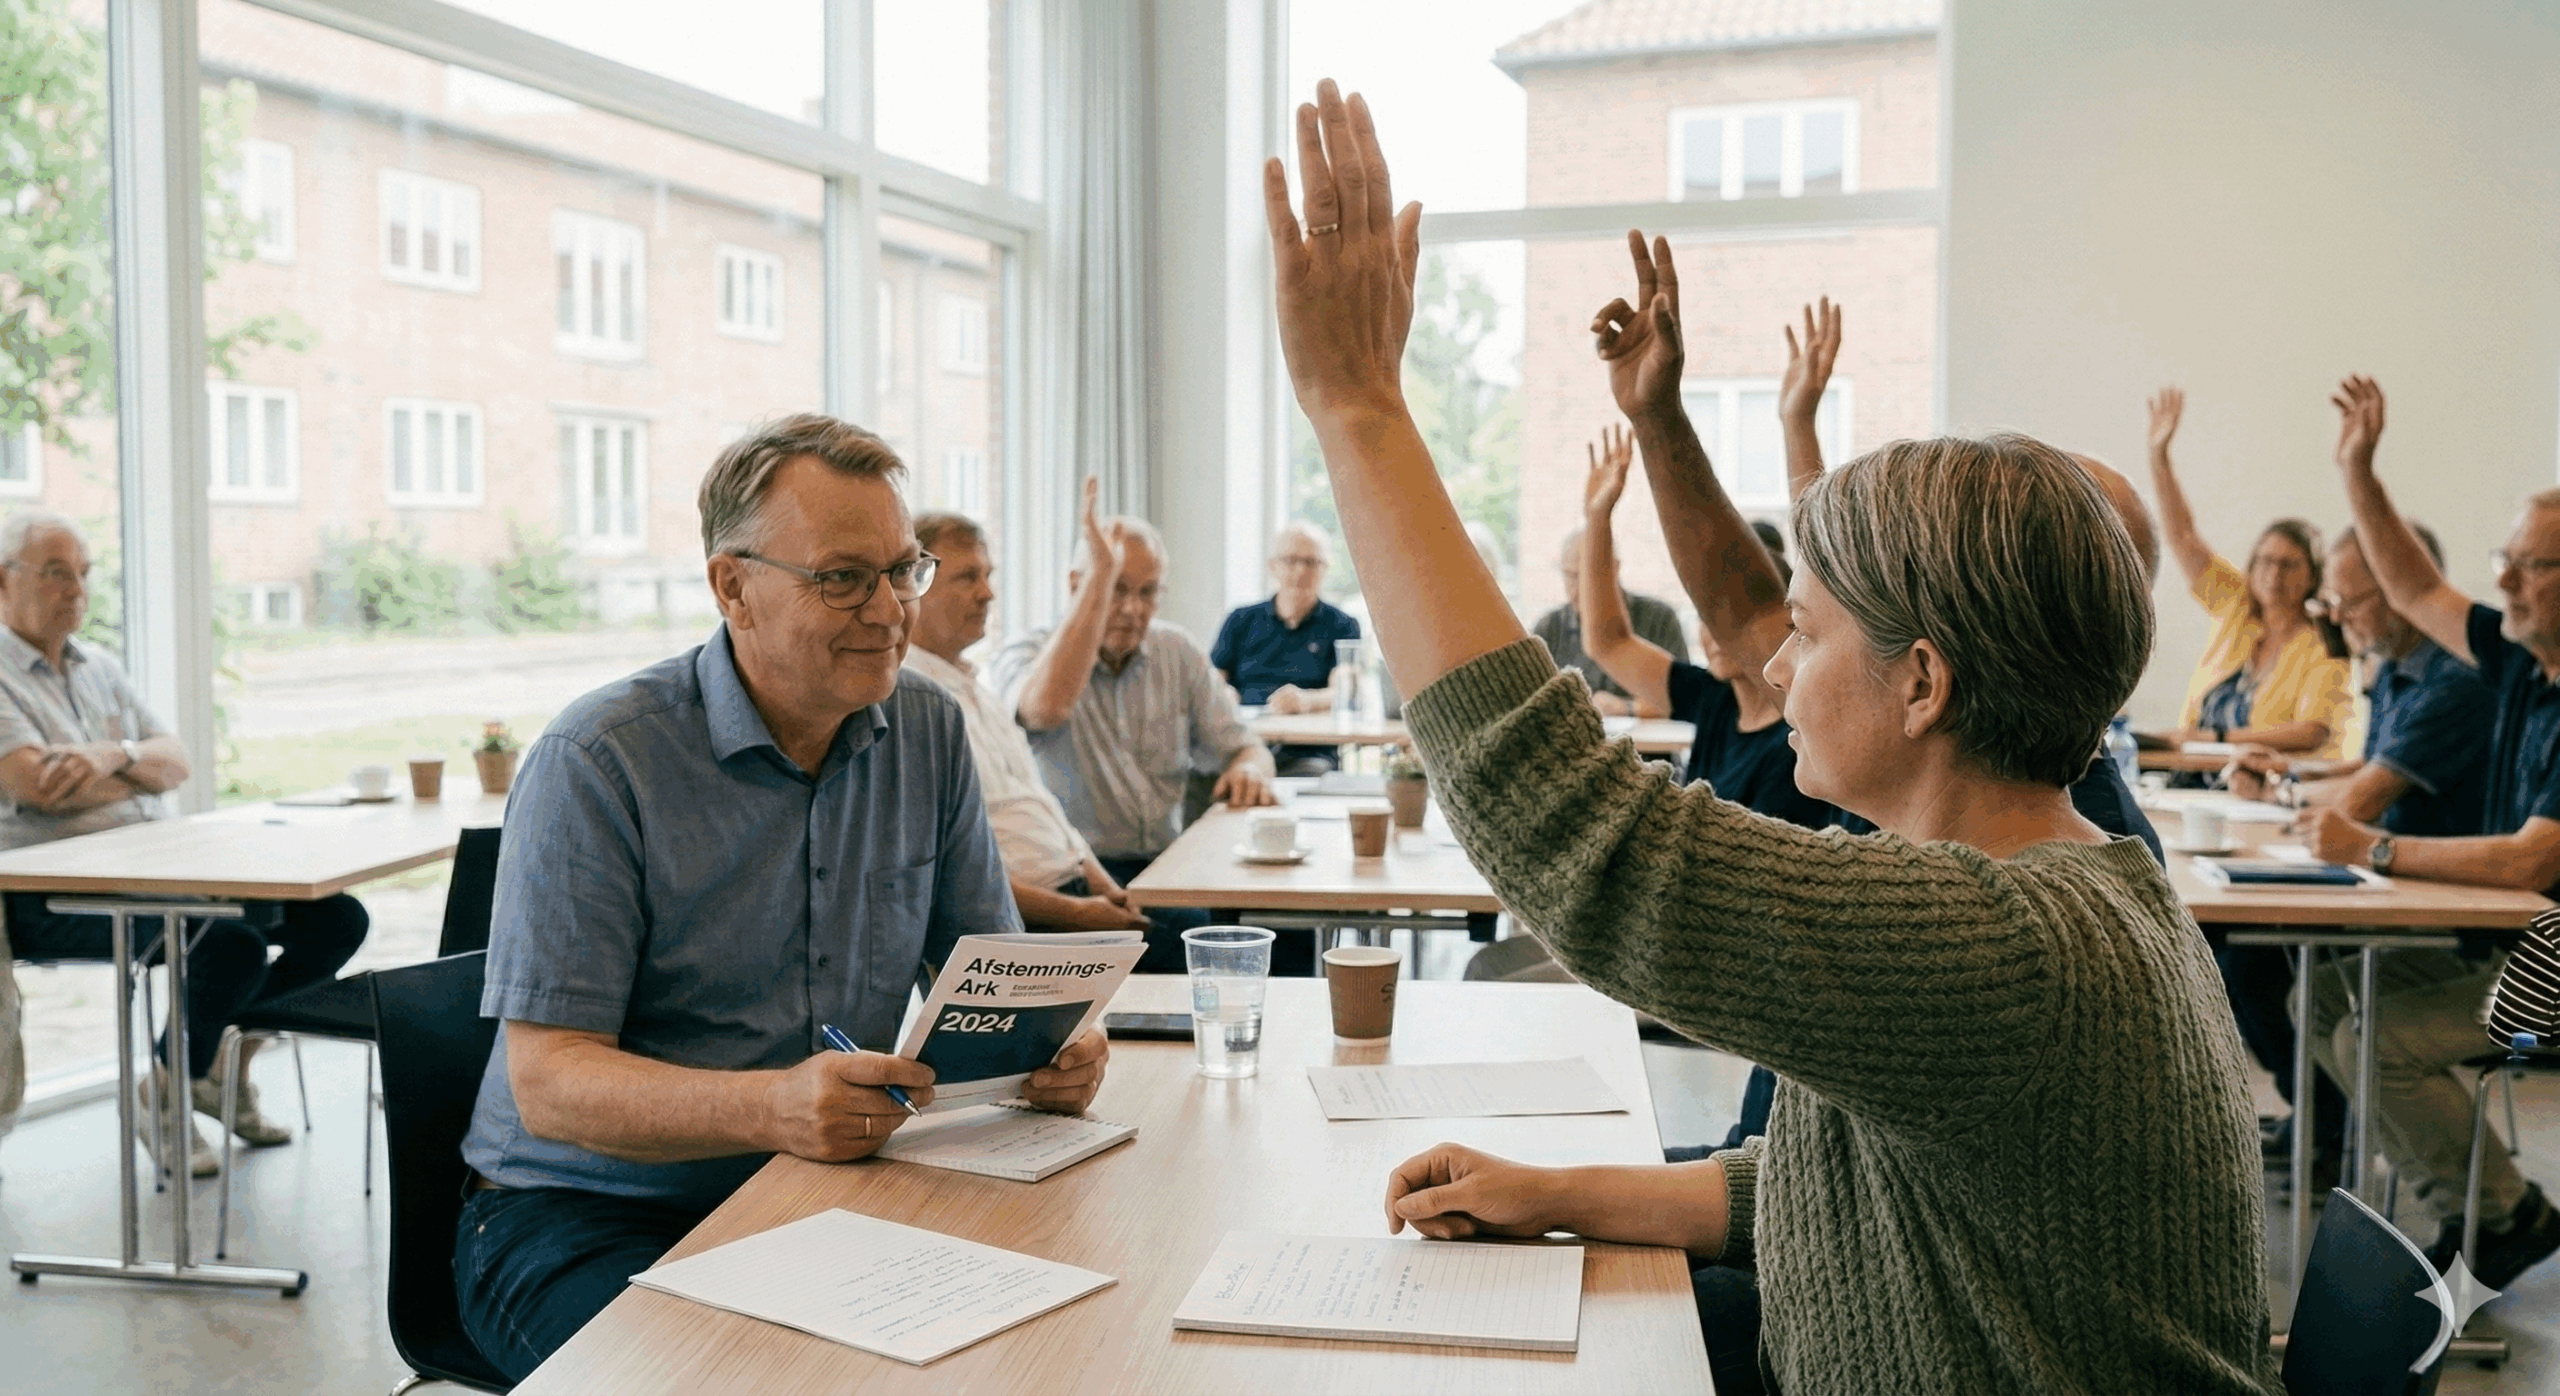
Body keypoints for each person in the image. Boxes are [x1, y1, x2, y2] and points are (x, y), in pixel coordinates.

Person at [1266, 84, 2273, 1394]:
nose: (1776, 665)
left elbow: (1579, 831)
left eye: (1803, 630)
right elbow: (1827, 1179)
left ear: (1923, 685)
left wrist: (1359, 410)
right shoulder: (2054, 888)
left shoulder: (2001, 944)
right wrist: (1553, 1190)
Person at [454, 416, 1109, 1379]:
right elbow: (549, 1084)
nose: (890, 611)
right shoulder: (598, 760)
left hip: (824, 1192)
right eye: (842, 578)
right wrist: (772, 1108)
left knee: (1058, 1344)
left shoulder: (925, 730)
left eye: (903, 571)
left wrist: (1047, 1047)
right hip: (581, 1213)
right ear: (733, 588)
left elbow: (996, 978)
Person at [2285, 376, 2560, 1288]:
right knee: (2321, 1000)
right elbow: (2411, 585)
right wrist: (2358, 471)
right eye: (2504, 557)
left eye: (2530, 566)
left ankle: (2504, 1217)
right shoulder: (2524, 664)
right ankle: (2461, 1203)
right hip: (2509, 944)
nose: (2503, 579)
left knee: (2377, 1038)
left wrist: (2372, 848)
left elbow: (2532, 857)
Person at [0, 510, 367, 1179]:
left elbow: (176, 762)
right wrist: (135, 770)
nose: (76, 588)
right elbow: (39, 785)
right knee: (229, 942)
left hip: (152, 867)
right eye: (55, 573)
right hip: (52, 895)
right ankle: (165, 1094)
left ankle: (221, 1070)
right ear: (4, 580)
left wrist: (110, 755)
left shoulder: (98, 665)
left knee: (337, 919)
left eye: (83, 572)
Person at [990, 486, 1281, 974]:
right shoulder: (1027, 652)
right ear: (1076, 585)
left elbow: (1246, 746)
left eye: (1147, 593)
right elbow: (1044, 710)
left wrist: (1250, 768)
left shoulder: (1176, 651)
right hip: (1073, 881)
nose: (1132, 609)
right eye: (1116, 588)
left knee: (1274, 936)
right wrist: (1099, 579)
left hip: (1168, 869)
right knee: (1217, 953)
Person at [902, 509, 1152, 935]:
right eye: (967, 578)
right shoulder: (912, 702)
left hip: (1077, 896)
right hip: (1024, 924)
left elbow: (1040, 802)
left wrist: (1107, 891)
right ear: (915, 585)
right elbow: (951, 873)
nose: (987, 594)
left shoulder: (979, 691)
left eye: (988, 576)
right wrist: (1081, 914)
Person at [1577, 422, 1827, 831]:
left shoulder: (1801, 734)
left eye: (1731, 620)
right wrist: (1597, 519)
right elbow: (1609, 643)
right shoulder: (1714, 698)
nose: (1714, 635)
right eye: (1706, 618)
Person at [2147, 386, 2354, 756]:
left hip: (2273, 777)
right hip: (2195, 770)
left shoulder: (2324, 641)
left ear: (2313, 575)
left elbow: (2312, 732)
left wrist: (2216, 740)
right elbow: (2182, 536)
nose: (2274, 575)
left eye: (2289, 565)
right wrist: (2159, 458)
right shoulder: (2236, 605)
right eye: (2265, 562)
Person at [1211, 521, 1363, 774]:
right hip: (1243, 745)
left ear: (1325, 569)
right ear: (1273, 566)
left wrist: (1307, 701)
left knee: (1313, 773)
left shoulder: (1343, 625)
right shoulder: (1240, 619)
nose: (1301, 570)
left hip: (1309, 751)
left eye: (1311, 562)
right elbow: (1213, 680)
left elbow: (1345, 691)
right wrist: (1223, 694)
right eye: (1291, 560)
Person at [1531, 527, 1690, 716]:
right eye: (1570, 576)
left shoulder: (1660, 619)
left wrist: (1627, 708)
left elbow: (1685, 697)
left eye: (1588, 575)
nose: (1578, 588)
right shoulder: (1548, 629)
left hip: (1646, 735)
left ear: (1615, 568)